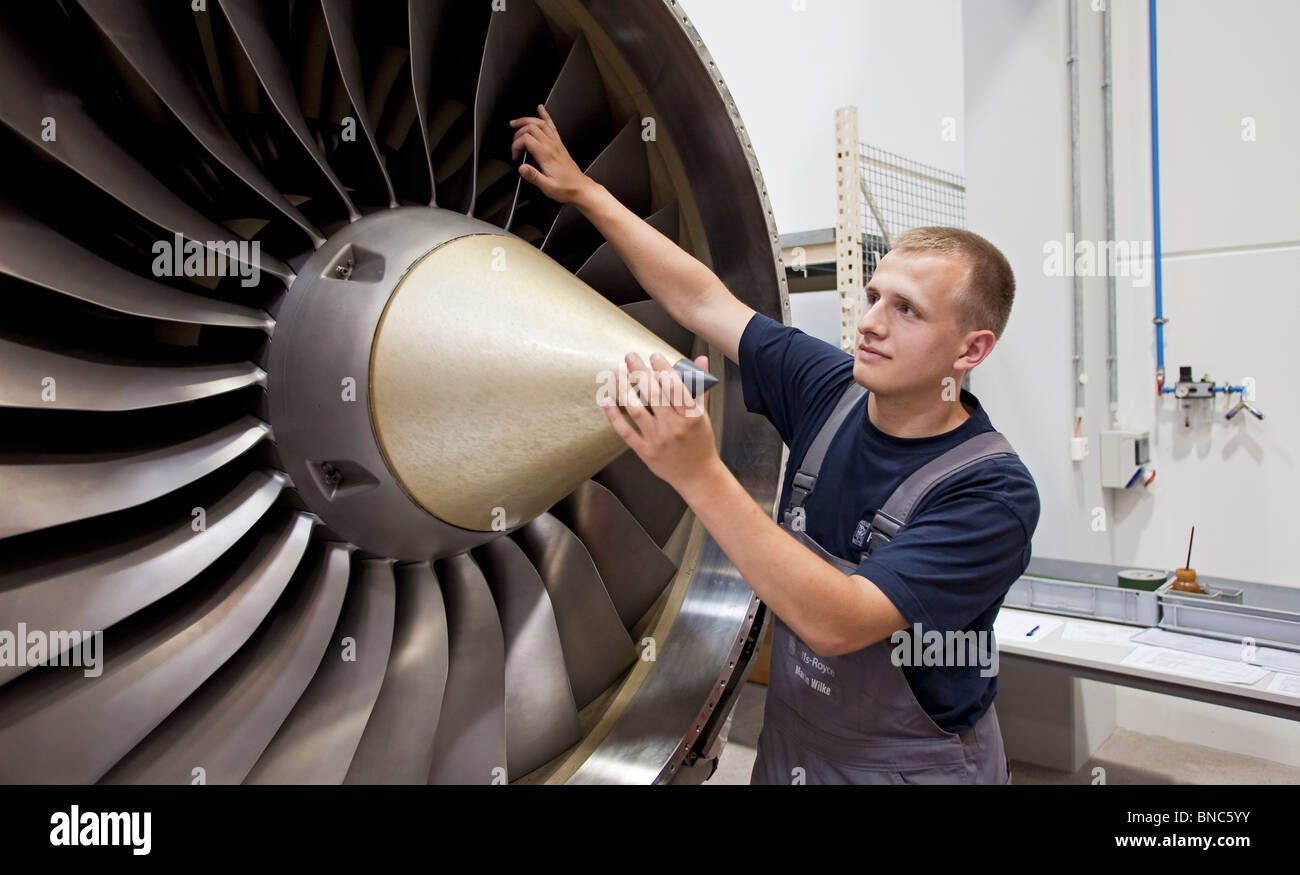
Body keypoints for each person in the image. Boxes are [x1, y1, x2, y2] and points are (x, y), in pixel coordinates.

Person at [509, 105, 1040, 785]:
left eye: (906, 309)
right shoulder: (831, 385)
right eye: (874, 296)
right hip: (794, 742)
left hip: (911, 766)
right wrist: (586, 192)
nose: (870, 323)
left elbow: (839, 621)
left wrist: (698, 474)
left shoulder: (991, 492)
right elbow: (704, 301)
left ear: (972, 349)